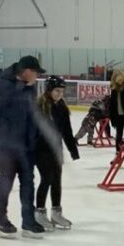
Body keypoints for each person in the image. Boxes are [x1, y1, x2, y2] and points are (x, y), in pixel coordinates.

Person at [0, 55, 45, 239]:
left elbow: (33, 116)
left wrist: (35, 139)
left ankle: (28, 221)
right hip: (5, 145)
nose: (37, 77)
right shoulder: (2, 86)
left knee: (28, 182)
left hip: (25, 145)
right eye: (35, 72)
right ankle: (0, 220)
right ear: (25, 71)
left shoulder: (29, 89)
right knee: (6, 180)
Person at [33, 76, 79, 231]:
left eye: (62, 91)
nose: (60, 94)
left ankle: (56, 213)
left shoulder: (62, 108)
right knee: (46, 179)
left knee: (57, 180)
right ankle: (39, 213)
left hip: (56, 149)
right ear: (49, 90)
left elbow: (67, 131)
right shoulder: (40, 107)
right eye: (57, 91)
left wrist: (73, 149)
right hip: (41, 150)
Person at [109, 71, 124, 149]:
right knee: (119, 133)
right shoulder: (114, 91)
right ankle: (118, 149)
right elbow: (112, 106)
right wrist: (112, 119)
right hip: (119, 115)